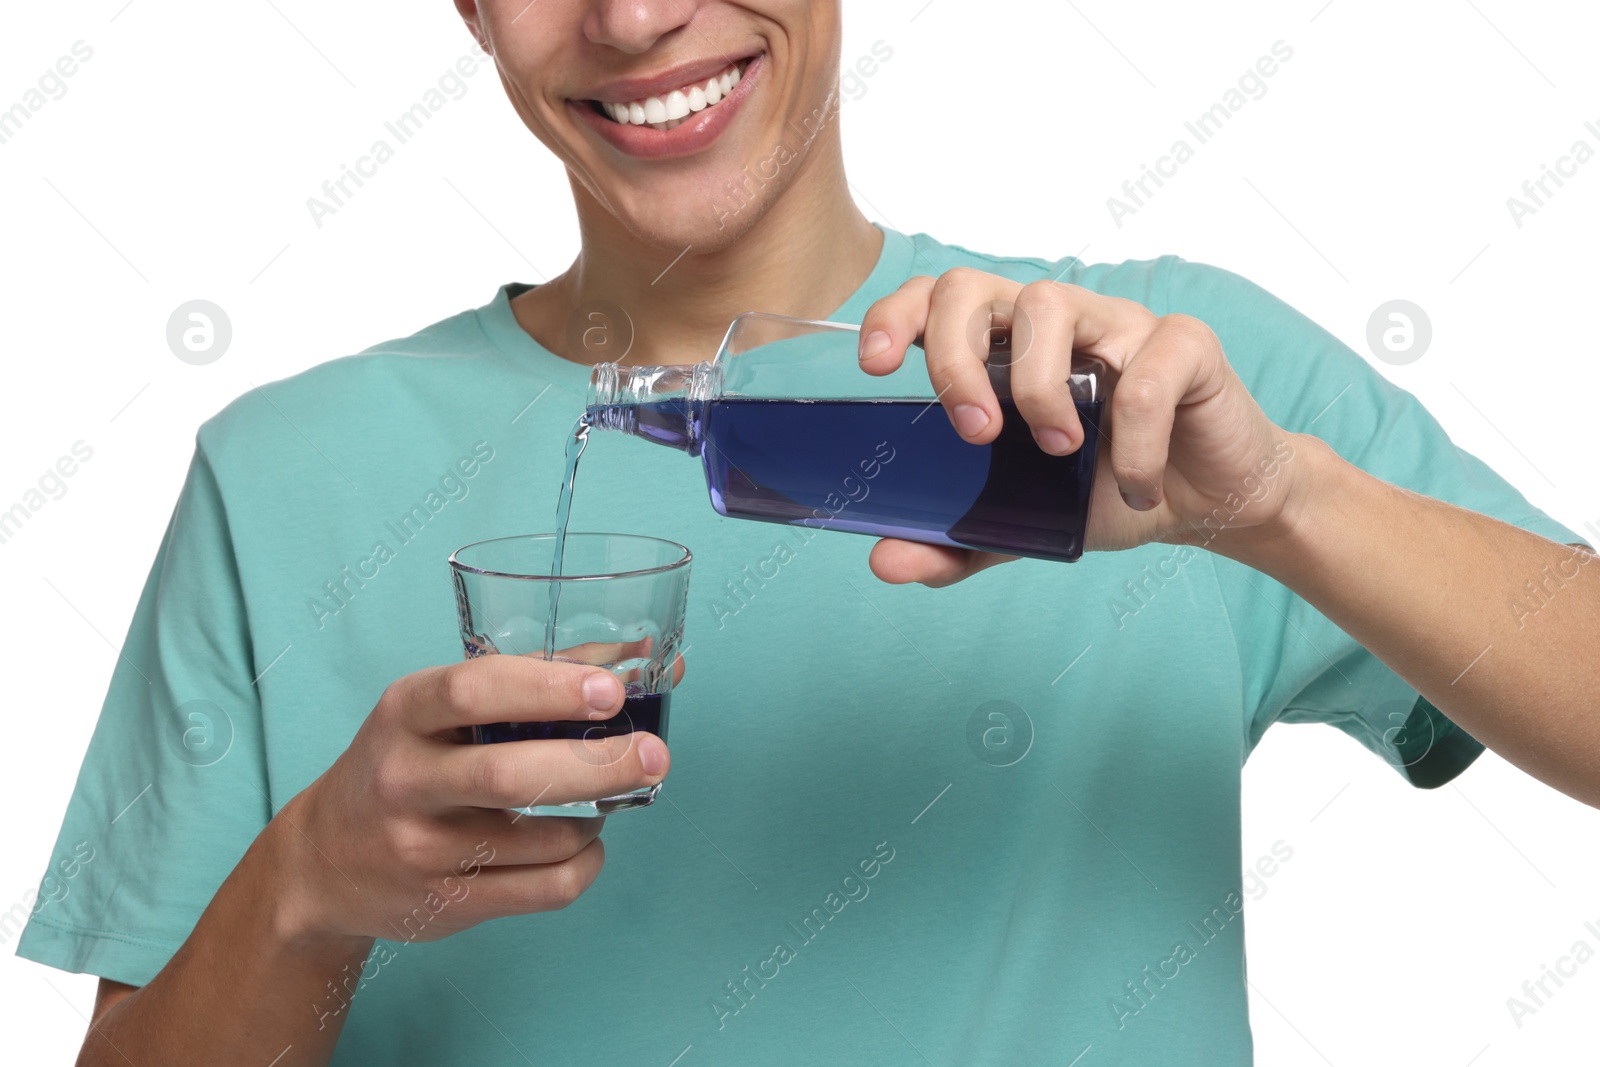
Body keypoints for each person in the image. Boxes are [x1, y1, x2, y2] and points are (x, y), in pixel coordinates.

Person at [18, 3, 1597, 1065]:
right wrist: (308, 885)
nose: (636, 20)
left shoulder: (1153, 388)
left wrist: (1284, 512)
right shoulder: (282, 474)